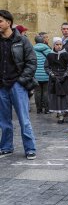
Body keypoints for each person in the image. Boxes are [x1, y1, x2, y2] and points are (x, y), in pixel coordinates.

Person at [0, 10, 37, 160]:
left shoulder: (22, 40)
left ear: (8, 22)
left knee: (24, 119)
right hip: (2, 86)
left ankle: (30, 148)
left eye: (0, 21)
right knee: (4, 120)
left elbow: (32, 62)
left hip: (17, 85)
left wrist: (21, 81)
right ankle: (6, 147)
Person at [45, 37, 68, 124]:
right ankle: (60, 115)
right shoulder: (49, 55)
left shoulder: (66, 55)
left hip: (65, 78)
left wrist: (65, 75)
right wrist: (52, 74)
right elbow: (46, 67)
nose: (59, 46)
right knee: (57, 97)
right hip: (54, 79)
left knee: (67, 97)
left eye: (60, 44)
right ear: (54, 45)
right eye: (57, 44)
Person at [33, 35, 51, 114]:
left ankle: (38, 109)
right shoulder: (48, 50)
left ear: (35, 41)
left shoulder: (31, 49)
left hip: (36, 75)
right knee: (46, 92)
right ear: (43, 41)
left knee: (37, 92)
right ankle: (47, 109)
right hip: (46, 74)